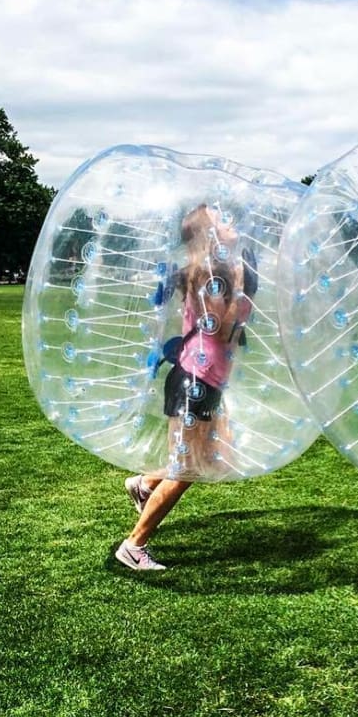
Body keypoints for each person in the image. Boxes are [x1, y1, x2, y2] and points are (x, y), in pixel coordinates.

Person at [115, 203, 254, 571]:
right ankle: (134, 545)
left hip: (201, 378)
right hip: (196, 379)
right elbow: (222, 330)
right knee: (188, 469)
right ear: (210, 234)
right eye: (221, 219)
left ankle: (145, 484)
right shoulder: (215, 277)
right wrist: (243, 288)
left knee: (214, 460)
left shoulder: (211, 271)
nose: (230, 222)